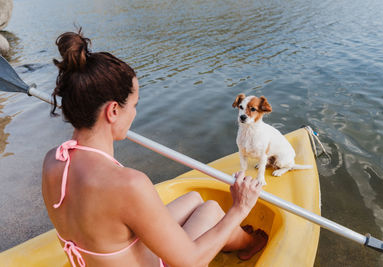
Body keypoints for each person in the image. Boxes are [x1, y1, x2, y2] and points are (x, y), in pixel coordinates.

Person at [41, 28, 268, 267]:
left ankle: (240, 239)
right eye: (134, 105)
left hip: (103, 250)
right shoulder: (128, 184)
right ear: (113, 111)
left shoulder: (52, 160)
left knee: (193, 199)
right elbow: (191, 262)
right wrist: (240, 208)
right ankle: (247, 243)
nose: (135, 113)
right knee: (211, 210)